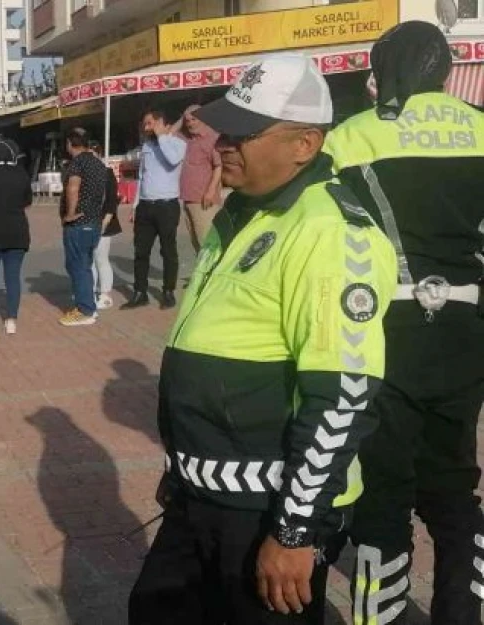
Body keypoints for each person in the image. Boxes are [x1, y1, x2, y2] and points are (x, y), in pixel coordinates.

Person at [128, 53, 398, 624]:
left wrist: (295, 530)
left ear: (305, 144)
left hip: (269, 508)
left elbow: (343, 395)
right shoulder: (242, 214)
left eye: (247, 131)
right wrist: (184, 467)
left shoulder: (329, 233)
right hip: (204, 494)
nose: (226, 142)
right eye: (227, 126)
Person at [321, 22, 484, 625]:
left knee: (383, 485)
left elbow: (326, 234)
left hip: (380, 327)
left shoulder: (351, 136)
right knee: (455, 481)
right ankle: (460, 613)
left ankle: (379, 617)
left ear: (380, 71)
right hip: (468, 328)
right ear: (445, 71)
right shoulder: (482, 127)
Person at [121, 108, 186, 310]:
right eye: (145, 124)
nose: (146, 127)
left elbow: (172, 160)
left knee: (168, 250)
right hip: (146, 206)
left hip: (167, 205)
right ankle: (140, 292)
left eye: (151, 123)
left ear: (164, 124)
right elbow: (142, 177)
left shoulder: (178, 144)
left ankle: (168, 291)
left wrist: (162, 137)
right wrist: (135, 205)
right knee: (141, 251)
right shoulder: (147, 147)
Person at [0, 139, 32, 337]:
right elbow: (27, 202)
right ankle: (11, 321)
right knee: (12, 278)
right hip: (18, 232)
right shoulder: (22, 175)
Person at [59, 128, 108, 326]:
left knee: (77, 266)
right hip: (93, 222)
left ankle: (85, 310)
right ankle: (88, 304)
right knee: (85, 266)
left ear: (70, 143)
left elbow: (73, 187)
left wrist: (70, 214)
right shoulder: (98, 163)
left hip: (78, 223)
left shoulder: (77, 163)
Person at [179, 104, 223, 254]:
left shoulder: (212, 138)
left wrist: (210, 192)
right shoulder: (188, 139)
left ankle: (212, 275)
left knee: (207, 243)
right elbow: (168, 134)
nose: (190, 123)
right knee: (196, 243)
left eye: (193, 119)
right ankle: (202, 275)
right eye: (187, 120)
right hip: (188, 199)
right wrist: (183, 117)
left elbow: (218, 166)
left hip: (204, 200)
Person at [88, 138, 122, 310]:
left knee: (101, 258)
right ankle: (91, 292)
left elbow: (111, 200)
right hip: (87, 222)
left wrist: (105, 221)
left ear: (99, 155)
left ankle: (106, 294)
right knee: (90, 261)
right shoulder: (83, 174)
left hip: (103, 222)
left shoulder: (107, 173)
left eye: (93, 154)